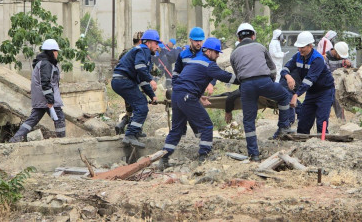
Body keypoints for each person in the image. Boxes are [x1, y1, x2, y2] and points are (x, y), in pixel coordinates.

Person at [159, 38, 238, 170]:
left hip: (177, 95)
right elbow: (225, 77)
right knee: (207, 125)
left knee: (176, 130)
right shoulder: (209, 64)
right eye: (216, 52)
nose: (218, 55)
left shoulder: (193, 61)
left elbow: (188, 80)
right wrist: (244, 79)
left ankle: (164, 158)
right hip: (187, 97)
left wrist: (199, 96)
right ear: (208, 51)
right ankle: (204, 156)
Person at [230, 23, 293, 162]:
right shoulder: (260, 47)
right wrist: (268, 83)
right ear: (253, 36)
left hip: (246, 86)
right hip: (264, 81)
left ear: (239, 39)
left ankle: (254, 155)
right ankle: (283, 127)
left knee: (248, 121)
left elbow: (238, 73)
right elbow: (272, 68)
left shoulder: (234, 53)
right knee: (284, 96)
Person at [9, 39, 66, 143]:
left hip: (40, 98)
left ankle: (15, 139)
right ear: (52, 52)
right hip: (47, 98)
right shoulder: (46, 64)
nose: (57, 53)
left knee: (32, 120)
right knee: (59, 118)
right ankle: (62, 141)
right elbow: (45, 82)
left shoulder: (41, 63)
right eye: (56, 51)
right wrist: (50, 100)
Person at [111, 30, 159, 148]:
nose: (158, 47)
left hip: (120, 81)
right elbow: (140, 68)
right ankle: (130, 135)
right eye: (156, 43)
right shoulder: (143, 50)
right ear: (148, 43)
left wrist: (152, 95)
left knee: (139, 104)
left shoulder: (140, 51)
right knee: (141, 106)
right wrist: (151, 79)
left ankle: (135, 131)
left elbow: (142, 80)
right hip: (124, 81)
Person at [282, 31, 335, 134]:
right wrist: (287, 76)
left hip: (325, 92)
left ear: (310, 46)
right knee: (303, 123)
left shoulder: (317, 59)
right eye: (299, 47)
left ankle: (323, 144)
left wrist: (296, 94)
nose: (300, 49)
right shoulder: (298, 56)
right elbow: (285, 68)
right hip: (311, 92)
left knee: (321, 121)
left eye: (303, 47)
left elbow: (309, 80)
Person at [115, 31, 144, 135]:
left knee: (129, 110)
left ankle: (121, 125)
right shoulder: (139, 52)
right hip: (134, 84)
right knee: (139, 108)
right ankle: (136, 132)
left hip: (122, 84)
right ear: (141, 41)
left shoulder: (124, 52)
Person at [325, 41, 352, 120]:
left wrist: (349, 65)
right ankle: (323, 126)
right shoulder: (325, 58)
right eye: (340, 56)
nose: (341, 58)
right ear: (335, 51)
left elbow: (350, 69)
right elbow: (326, 72)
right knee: (325, 109)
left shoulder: (343, 57)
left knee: (339, 106)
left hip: (338, 87)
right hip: (327, 87)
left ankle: (341, 122)